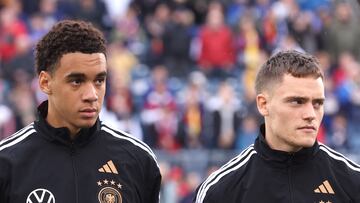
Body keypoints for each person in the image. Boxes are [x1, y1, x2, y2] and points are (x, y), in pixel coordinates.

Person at [0, 20, 161, 203]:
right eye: (77, 81)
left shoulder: (138, 159)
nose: (92, 95)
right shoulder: (7, 163)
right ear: (45, 83)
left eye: (99, 80)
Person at [194, 50, 360, 203]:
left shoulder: (352, 181)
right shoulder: (221, 191)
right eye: (297, 101)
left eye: (318, 103)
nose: (310, 114)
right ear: (263, 104)